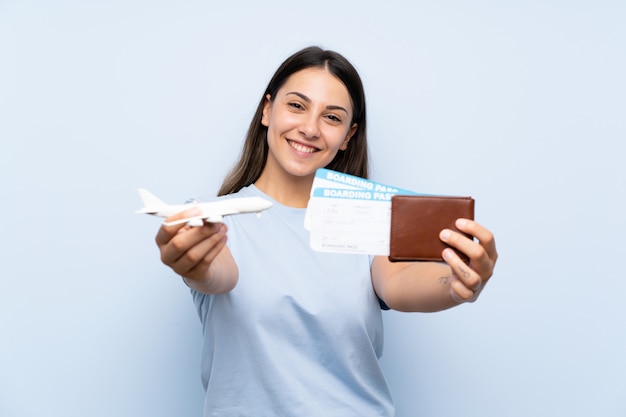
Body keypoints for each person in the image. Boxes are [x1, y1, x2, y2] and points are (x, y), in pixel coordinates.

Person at [154, 46, 498, 416]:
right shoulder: (212, 217)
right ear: (267, 110)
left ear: (348, 135)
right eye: (297, 106)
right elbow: (218, 275)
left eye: (331, 118)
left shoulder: (368, 218)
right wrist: (193, 263)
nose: (310, 129)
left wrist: (458, 284)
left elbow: (399, 283)